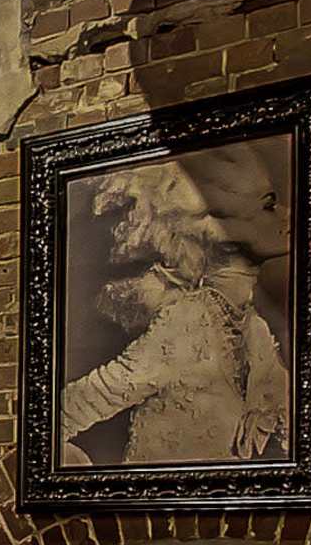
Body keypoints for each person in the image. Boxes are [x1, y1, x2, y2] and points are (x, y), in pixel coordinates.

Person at [59, 146, 293, 467]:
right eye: (268, 205)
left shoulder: (254, 325)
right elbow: (69, 410)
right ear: (217, 229)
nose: (287, 215)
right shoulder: (188, 321)